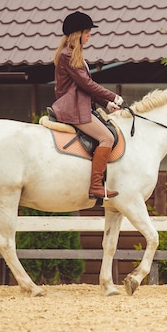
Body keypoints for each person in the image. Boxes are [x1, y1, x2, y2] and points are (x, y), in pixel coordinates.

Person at [51, 11, 124, 199]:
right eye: (87, 32)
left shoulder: (74, 55)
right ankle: (96, 186)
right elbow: (86, 85)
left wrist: (107, 104)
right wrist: (113, 96)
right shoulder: (68, 56)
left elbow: (84, 88)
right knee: (107, 138)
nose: (89, 35)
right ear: (78, 33)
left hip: (79, 105)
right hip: (72, 109)